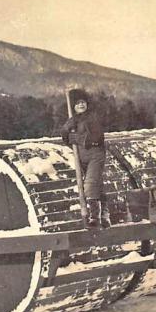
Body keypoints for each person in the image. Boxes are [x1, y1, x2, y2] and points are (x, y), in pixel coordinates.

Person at [60, 89, 108, 228]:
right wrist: (66, 129)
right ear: (73, 106)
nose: (81, 105)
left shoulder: (93, 117)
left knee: (90, 185)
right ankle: (105, 216)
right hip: (81, 156)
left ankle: (94, 218)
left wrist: (79, 138)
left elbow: (97, 138)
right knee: (97, 185)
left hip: (95, 155)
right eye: (77, 103)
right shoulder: (73, 120)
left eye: (83, 102)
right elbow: (67, 138)